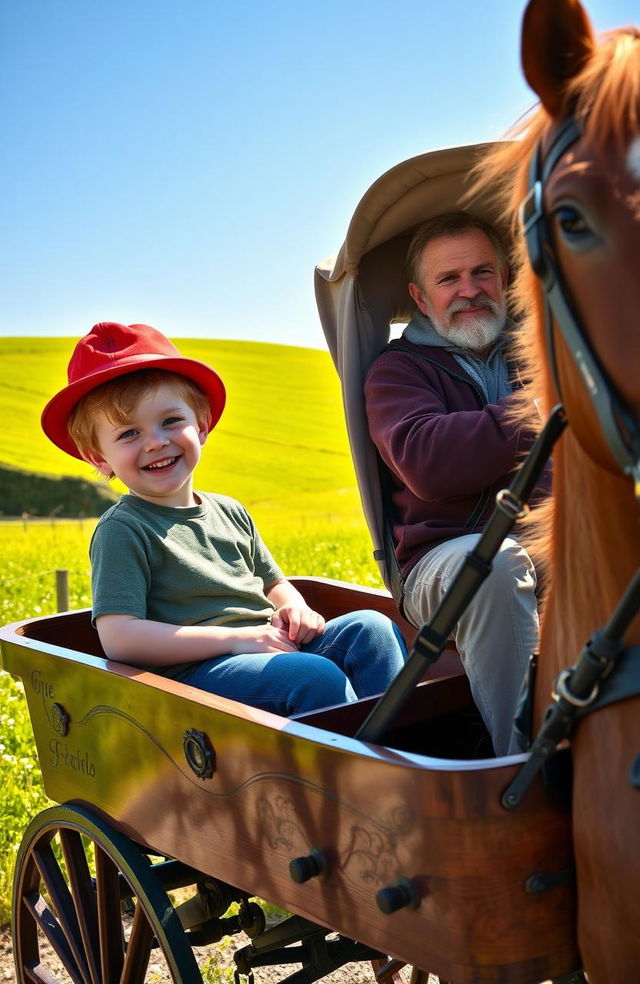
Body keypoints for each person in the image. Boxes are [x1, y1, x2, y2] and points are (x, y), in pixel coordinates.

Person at [41, 321, 407, 716]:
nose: (155, 442)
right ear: (98, 456)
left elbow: (274, 584)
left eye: (170, 421)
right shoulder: (124, 529)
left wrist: (294, 608)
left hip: (264, 645)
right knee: (313, 676)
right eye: (128, 433)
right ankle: (360, 771)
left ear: (201, 426)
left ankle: (404, 748)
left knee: (373, 629)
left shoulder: (230, 511)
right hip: (194, 674)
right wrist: (235, 640)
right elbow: (121, 638)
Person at [364, 212, 546, 756]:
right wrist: (537, 410)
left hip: (554, 543)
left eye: (482, 272)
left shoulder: (539, 354)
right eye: (449, 279)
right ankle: (522, 768)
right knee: (493, 562)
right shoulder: (398, 372)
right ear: (421, 297)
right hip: (442, 562)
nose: (470, 291)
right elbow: (429, 464)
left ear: (507, 279)